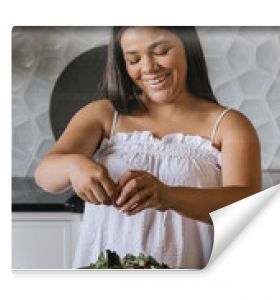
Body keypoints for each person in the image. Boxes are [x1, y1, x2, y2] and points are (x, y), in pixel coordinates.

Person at [34, 26, 261, 269]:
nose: (149, 67)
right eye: (134, 59)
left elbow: (246, 208)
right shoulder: (102, 114)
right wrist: (73, 166)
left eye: (161, 51)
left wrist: (169, 195)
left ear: (188, 47)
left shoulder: (229, 125)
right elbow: (46, 177)